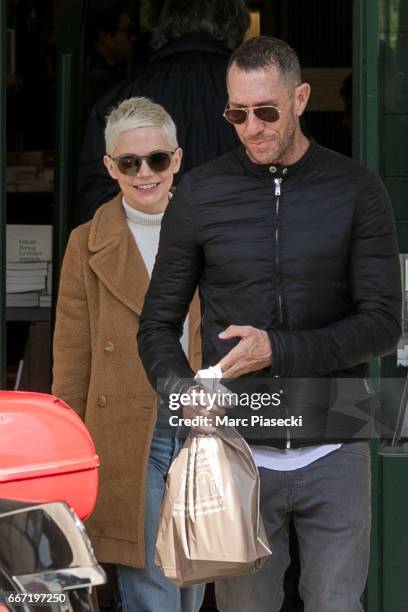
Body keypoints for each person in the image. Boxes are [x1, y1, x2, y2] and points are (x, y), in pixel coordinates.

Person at [137, 36, 402, 612]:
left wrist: (276, 351)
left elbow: (383, 324)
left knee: (336, 604)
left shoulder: (358, 190)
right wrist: (184, 395)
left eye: (266, 111)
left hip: (336, 435)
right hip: (236, 444)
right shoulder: (202, 193)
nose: (251, 127)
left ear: (301, 98)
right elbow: (156, 324)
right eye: (237, 113)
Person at [52, 97, 203, 612]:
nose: (144, 173)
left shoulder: (211, 229)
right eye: (129, 162)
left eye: (156, 160)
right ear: (109, 167)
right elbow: (72, 358)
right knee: (153, 586)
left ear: (177, 159)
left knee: (194, 580)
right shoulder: (85, 244)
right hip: (124, 432)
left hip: (202, 421)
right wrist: (66, 456)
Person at [77, 0, 250, 223]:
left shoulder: (120, 99)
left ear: (164, 25)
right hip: (238, 251)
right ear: (235, 26)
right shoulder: (262, 99)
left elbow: (96, 206)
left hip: (145, 253)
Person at [86, 0, 136, 107]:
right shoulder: (103, 85)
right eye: (128, 31)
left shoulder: (90, 72)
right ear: (105, 36)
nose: (133, 38)